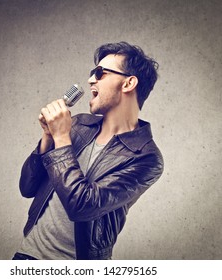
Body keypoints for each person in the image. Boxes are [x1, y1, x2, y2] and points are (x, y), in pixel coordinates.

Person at [13, 41, 164, 260]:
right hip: (28, 255)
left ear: (128, 83)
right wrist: (48, 137)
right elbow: (27, 188)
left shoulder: (146, 158)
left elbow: (82, 206)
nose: (90, 79)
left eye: (100, 73)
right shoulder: (78, 124)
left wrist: (62, 137)